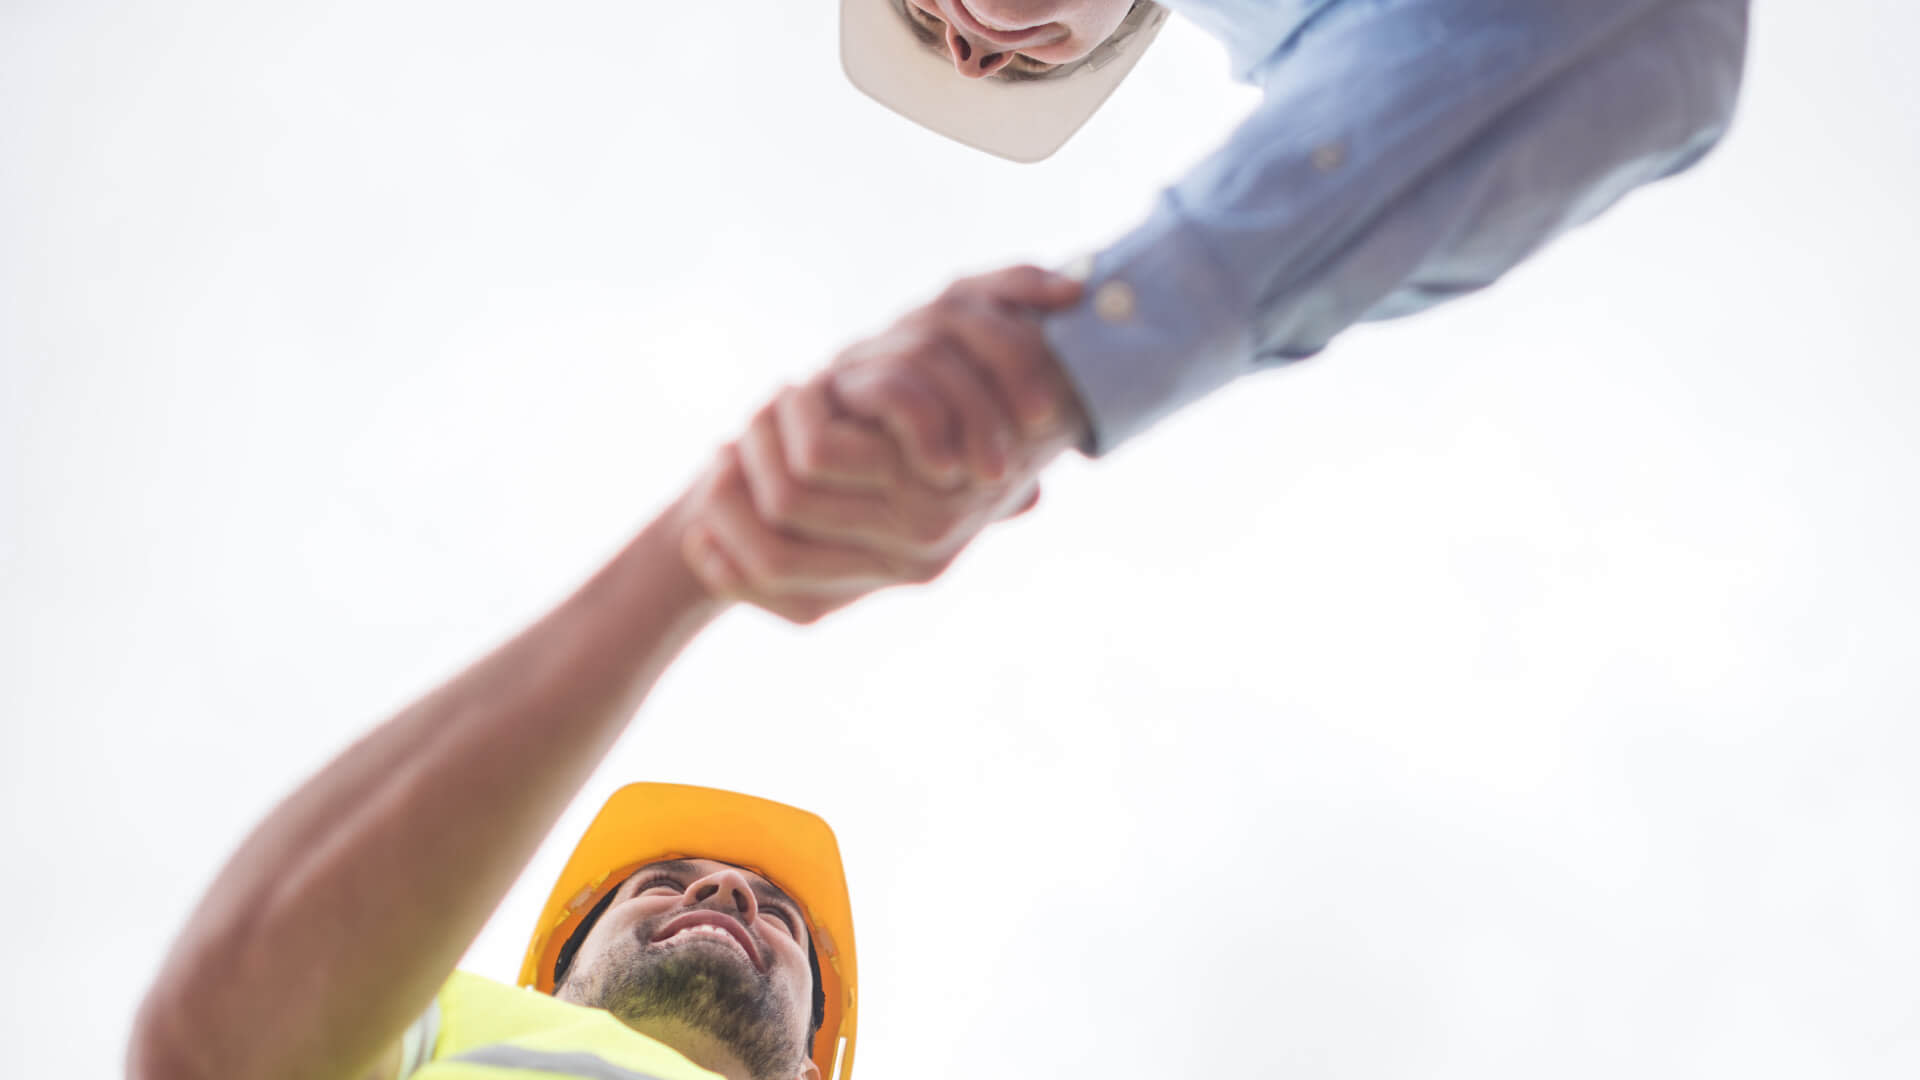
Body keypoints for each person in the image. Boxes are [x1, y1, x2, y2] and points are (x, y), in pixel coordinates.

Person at [126, 269, 1081, 1080]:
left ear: (809, 1066)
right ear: (548, 979)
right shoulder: (427, 1028)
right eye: (663, 880)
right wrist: (699, 554)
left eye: (780, 913)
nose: (727, 895)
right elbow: (214, 1053)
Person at [736, 0, 1753, 600]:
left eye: (918, 13)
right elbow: (1648, 50)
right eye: (1009, 61)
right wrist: (1065, 364)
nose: (966, 51)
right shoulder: (1331, 49)